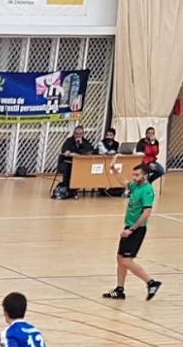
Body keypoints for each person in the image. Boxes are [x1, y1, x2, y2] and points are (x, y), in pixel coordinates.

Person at [102, 164, 161, 301]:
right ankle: (119, 289)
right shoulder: (136, 185)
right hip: (128, 227)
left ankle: (151, 282)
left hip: (136, 229)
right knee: (120, 258)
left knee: (126, 260)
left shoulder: (147, 190)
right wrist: (115, 171)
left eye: (137, 175)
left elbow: (146, 213)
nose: (134, 177)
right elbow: (124, 182)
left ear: (145, 175)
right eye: (133, 175)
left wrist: (131, 229)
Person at [57, 125, 94, 192]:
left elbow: (90, 151)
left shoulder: (85, 142)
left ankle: (76, 187)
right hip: (67, 162)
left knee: (88, 168)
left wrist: (81, 145)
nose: (78, 135)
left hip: (80, 163)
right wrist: (69, 153)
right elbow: (64, 151)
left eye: (80, 134)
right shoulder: (69, 141)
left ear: (83, 134)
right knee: (69, 169)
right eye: (76, 134)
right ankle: (67, 187)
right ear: (73, 133)